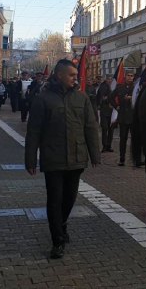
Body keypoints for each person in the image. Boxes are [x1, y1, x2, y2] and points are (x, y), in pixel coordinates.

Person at [24, 59, 100, 260]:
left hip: (76, 157)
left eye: (76, 75)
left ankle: (62, 223)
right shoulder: (43, 99)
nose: (76, 78)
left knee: (70, 198)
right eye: (72, 75)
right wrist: (30, 159)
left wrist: (95, 154)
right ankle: (57, 240)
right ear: (59, 75)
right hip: (53, 158)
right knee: (54, 200)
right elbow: (33, 131)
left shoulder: (81, 98)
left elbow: (90, 127)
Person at [111, 71, 135, 166]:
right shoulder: (120, 87)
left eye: (131, 75)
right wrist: (116, 106)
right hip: (123, 117)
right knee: (123, 139)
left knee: (135, 139)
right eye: (128, 75)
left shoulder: (135, 88)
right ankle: (122, 158)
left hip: (133, 117)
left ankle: (135, 158)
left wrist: (131, 98)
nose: (130, 77)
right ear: (125, 77)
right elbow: (110, 97)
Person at [96, 74, 114, 152]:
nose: (110, 80)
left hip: (111, 111)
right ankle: (104, 146)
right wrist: (108, 99)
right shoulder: (103, 86)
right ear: (106, 79)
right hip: (104, 110)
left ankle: (108, 145)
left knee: (111, 129)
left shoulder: (112, 86)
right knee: (105, 128)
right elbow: (102, 98)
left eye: (111, 79)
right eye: (108, 79)